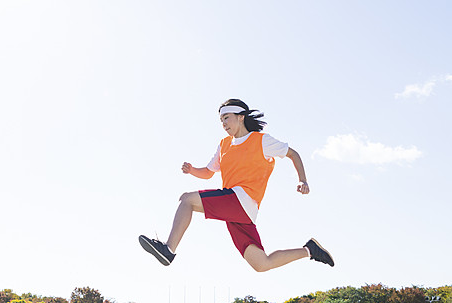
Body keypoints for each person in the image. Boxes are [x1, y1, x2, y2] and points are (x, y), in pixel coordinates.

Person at [139, 98, 334, 271]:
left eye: (227, 117)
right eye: (221, 120)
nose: (223, 123)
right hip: (238, 210)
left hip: (242, 199)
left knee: (187, 199)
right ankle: (310, 250)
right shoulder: (224, 144)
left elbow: (293, 154)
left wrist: (302, 180)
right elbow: (208, 173)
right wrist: (192, 170)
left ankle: (168, 249)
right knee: (261, 264)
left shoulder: (261, 141)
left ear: (241, 117)